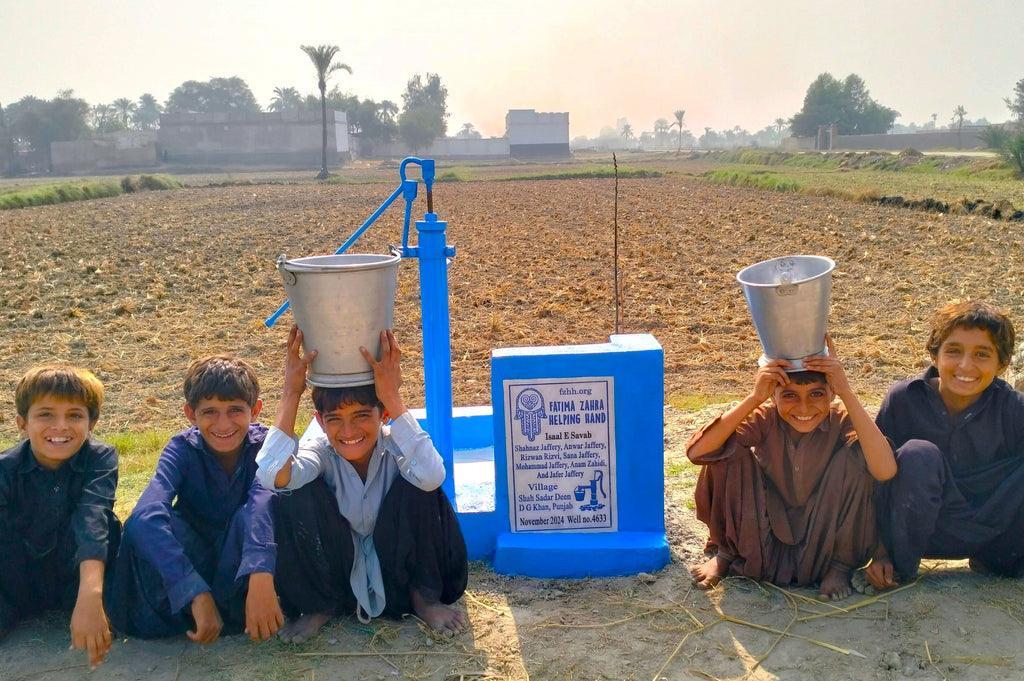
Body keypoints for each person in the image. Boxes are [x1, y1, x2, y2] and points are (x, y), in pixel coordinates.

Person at [256, 326, 468, 643]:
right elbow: (272, 476)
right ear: (320, 420)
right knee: (295, 490)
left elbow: (434, 475)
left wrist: (392, 396)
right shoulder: (321, 452)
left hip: (397, 573)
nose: (348, 430)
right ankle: (320, 607)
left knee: (422, 482)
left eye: (361, 415)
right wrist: (290, 392)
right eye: (335, 419)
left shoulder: (396, 446)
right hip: (340, 577)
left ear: (382, 416)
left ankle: (424, 598)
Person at [687, 336, 896, 600]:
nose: (804, 407)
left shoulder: (842, 418)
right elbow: (698, 452)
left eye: (817, 394)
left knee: (855, 457)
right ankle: (726, 553)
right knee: (724, 452)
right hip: (764, 529)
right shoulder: (765, 417)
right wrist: (754, 397)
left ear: (831, 393)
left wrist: (847, 392)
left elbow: (885, 471)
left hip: (823, 533)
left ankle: (840, 567)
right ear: (773, 397)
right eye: (789, 395)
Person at [106, 356, 282, 643]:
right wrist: (192, 590)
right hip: (193, 560)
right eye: (210, 411)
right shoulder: (181, 449)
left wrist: (260, 572)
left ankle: (246, 607)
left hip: (240, 566)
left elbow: (261, 504)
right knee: (154, 523)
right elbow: (145, 516)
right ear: (191, 414)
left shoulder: (265, 445)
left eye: (235, 410)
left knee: (254, 513)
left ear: (256, 410)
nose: (223, 423)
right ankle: (198, 608)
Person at [866, 301, 1024, 590]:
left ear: (1001, 364)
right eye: (953, 351)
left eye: (982, 354)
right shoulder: (905, 399)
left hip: (993, 538)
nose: (966, 366)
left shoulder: (1013, 408)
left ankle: (998, 563)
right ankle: (900, 571)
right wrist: (880, 551)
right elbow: (875, 483)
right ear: (933, 356)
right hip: (919, 534)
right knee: (918, 454)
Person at [1, 366, 120, 670]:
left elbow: (92, 518)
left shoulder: (101, 458)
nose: (60, 426)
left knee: (107, 525)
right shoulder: (5, 470)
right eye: (46, 415)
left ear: (92, 423)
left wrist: (91, 594)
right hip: (17, 579)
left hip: (76, 574)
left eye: (75, 416)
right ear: (22, 424)